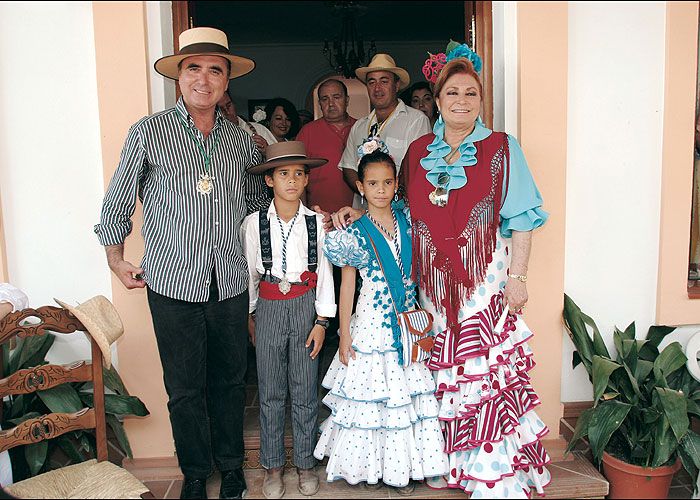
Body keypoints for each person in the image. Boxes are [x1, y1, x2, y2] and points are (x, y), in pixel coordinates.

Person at [330, 42, 551, 499]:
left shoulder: (502, 149)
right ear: (437, 97)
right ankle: (442, 460)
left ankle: (491, 468)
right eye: (452, 92)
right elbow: (391, 208)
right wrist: (353, 214)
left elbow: (523, 219)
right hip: (430, 287)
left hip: (484, 280)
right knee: (438, 373)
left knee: (481, 372)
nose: (462, 101)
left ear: (481, 100)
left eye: (471, 93)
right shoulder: (417, 151)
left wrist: (519, 278)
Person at [94, 27, 270, 500]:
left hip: (230, 280)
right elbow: (120, 197)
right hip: (172, 281)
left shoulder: (241, 141)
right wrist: (115, 256)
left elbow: (257, 207)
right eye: (193, 68)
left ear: (227, 80)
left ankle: (231, 466)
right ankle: (195, 472)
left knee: (231, 380)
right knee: (185, 387)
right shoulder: (148, 131)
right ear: (178, 77)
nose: (204, 79)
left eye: (215, 69)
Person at [314, 148, 448, 494]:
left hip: (407, 321)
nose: (380, 189)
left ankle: (414, 465)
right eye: (372, 183)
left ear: (397, 184)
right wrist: (343, 335)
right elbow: (347, 287)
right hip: (371, 322)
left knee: (408, 394)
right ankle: (373, 466)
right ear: (360, 185)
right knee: (376, 397)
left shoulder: (409, 220)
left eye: (387, 182)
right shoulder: (352, 232)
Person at [241, 141, 335, 499]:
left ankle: (306, 465)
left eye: (298, 173)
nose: (292, 180)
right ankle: (273, 466)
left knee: (305, 389)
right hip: (266, 307)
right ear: (269, 181)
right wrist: (251, 315)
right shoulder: (253, 225)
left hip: (304, 307)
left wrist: (322, 322)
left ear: (307, 179)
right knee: (270, 391)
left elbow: (324, 274)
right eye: (283, 174)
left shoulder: (316, 224)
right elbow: (249, 274)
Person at [296, 79, 357, 377]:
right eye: (324, 99)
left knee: (355, 291)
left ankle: (351, 353)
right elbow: (298, 177)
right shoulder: (308, 132)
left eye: (336, 97)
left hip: (357, 225)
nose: (331, 103)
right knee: (322, 288)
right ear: (318, 103)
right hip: (319, 224)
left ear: (347, 99)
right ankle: (323, 349)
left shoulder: (362, 128)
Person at [339, 53, 431, 208]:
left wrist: (386, 194)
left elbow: (419, 170)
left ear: (396, 85)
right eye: (371, 82)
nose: (377, 88)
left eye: (384, 81)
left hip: (400, 211)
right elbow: (348, 167)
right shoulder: (360, 125)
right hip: (363, 213)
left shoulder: (416, 120)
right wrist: (369, 193)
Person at [218, 90, 277, 155]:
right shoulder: (212, 138)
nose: (228, 112)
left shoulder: (259, 129)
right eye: (221, 109)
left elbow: (280, 159)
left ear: (234, 104)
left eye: (229, 106)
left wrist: (268, 151)